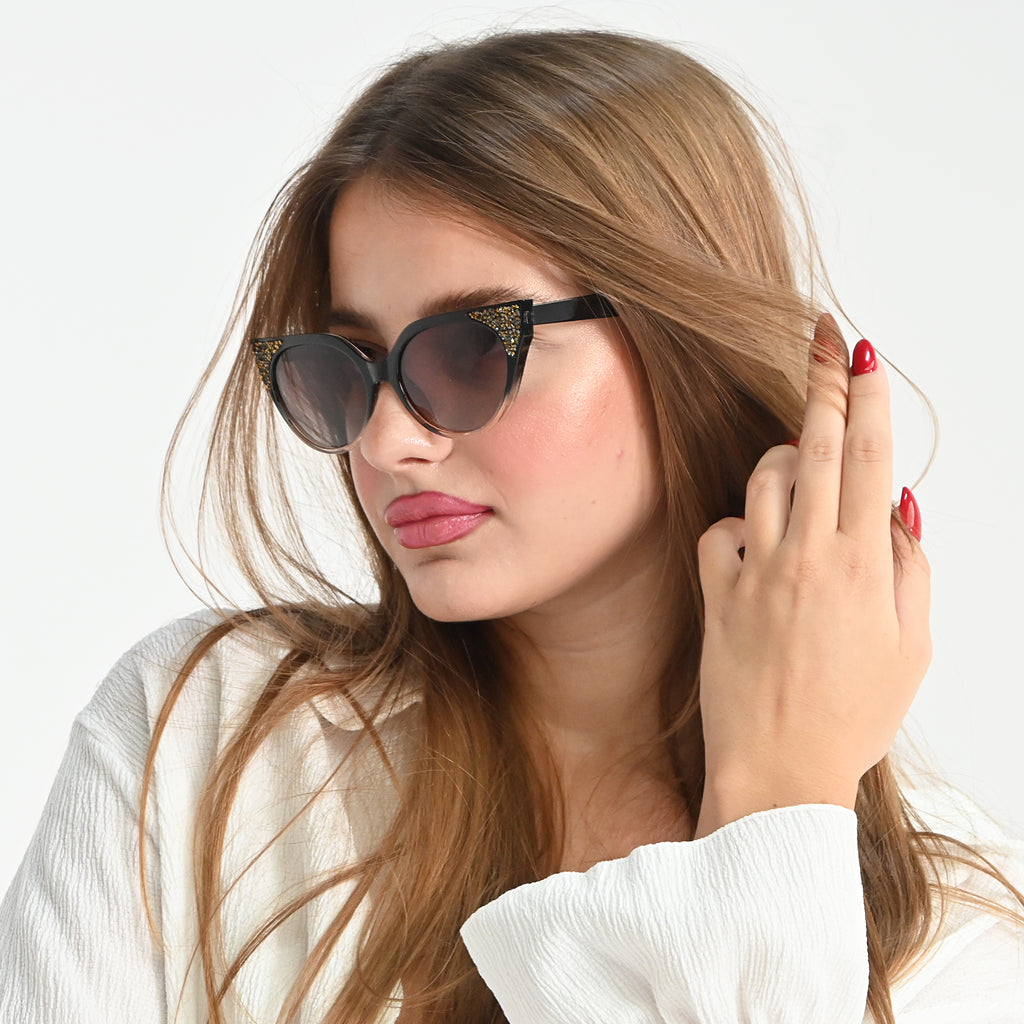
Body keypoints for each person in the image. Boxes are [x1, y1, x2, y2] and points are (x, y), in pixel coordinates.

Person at [1, 26, 1021, 1024]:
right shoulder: (211, 737)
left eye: (469, 353)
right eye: (343, 370)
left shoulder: (959, 944)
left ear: (685, 342)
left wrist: (773, 817)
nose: (388, 440)